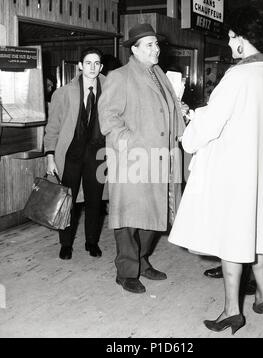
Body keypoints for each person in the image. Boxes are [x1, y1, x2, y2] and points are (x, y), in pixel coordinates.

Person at [168, 6, 263, 334]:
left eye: (231, 37)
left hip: (236, 172)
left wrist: (190, 124)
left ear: (243, 38)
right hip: (262, 169)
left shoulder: (238, 76)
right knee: (261, 235)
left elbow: (211, 123)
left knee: (233, 241)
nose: (229, 44)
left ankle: (230, 312)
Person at [98, 23, 186, 294]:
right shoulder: (119, 77)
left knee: (156, 214)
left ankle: (141, 260)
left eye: (156, 44)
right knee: (128, 219)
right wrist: (131, 143)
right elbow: (109, 120)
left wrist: (178, 114)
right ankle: (126, 271)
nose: (156, 49)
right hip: (133, 160)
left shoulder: (159, 74)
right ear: (134, 50)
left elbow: (164, 111)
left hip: (163, 158)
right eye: (149, 45)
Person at [44, 47, 106, 260]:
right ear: (80, 66)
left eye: (96, 63)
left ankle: (92, 242)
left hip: (98, 155)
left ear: (101, 67)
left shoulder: (110, 89)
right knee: (67, 201)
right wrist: (50, 156)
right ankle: (66, 243)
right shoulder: (63, 93)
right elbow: (52, 127)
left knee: (95, 201)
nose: (92, 67)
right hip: (71, 154)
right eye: (88, 63)